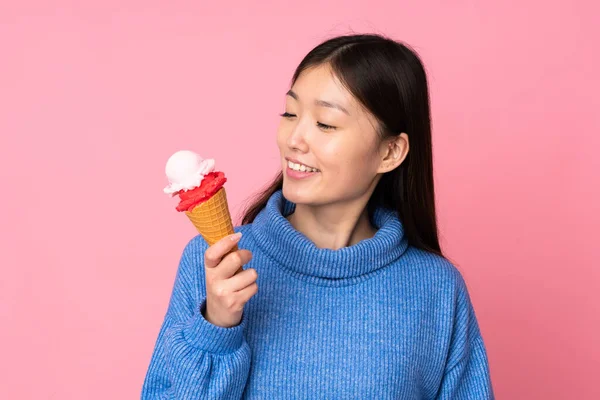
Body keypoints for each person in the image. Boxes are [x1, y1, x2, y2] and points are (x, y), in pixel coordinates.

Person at [141, 33, 495, 399]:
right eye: (290, 114)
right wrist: (216, 327)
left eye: (325, 123)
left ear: (390, 152)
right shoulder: (212, 265)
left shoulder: (437, 289)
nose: (294, 138)